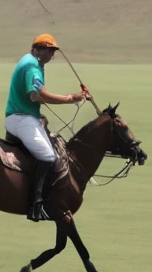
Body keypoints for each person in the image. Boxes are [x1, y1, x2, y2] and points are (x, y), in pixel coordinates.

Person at [5, 33, 91, 221]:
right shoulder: (32, 66)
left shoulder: (33, 63)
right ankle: (36, 204)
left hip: (26, 115)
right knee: (48, 156)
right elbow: (37, 95)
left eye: (52, 52)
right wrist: (72, 98)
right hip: (20, 118)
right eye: (49, 51)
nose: (51, 55)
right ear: (39, 50)